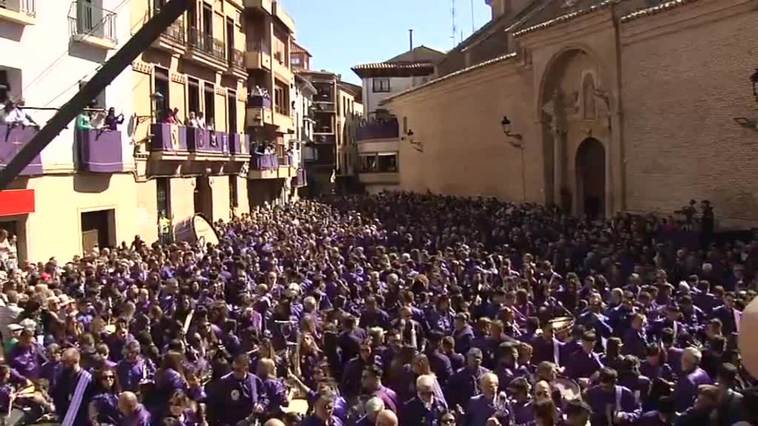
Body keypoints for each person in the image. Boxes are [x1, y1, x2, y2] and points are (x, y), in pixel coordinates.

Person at [206, 353, 263, 425]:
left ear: (246, 368)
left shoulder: (255, 380)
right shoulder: (224, 382)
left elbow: (263, 396)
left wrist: (261, 405)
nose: (235, 372)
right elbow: (214, 404)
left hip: (250, 421)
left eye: (238, 370)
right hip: (230, 422)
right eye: (233, 369)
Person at [51, 348, 95, 426]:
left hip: (82, 420)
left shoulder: (87, 379)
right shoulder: (61, 378)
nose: (63, 365)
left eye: (65, 362)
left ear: (75, 361)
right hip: (65, 418)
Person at [674, 347, 713, 412]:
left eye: (685, 359)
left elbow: (681, 406)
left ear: (692, 362)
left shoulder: (687, 381)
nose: (682, 361)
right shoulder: (703, 372)